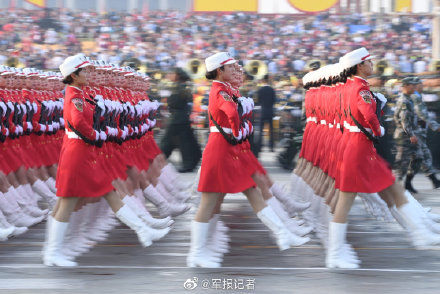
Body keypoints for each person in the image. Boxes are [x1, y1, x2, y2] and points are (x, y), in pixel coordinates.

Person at [43, 54, 168, 267]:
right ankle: (52, 252)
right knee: (67, 201)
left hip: (85, 151)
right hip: (78, 152)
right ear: (74, 75)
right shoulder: (75, 95)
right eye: (86, 71)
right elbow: (78, 122)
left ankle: (143, 230)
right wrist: (97, 135)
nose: (90, 74)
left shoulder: (80, 93)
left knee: (106, 191)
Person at [188, 52, 305, 268]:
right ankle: (196, 253)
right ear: (219, 71)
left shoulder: (224, 90)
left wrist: (241, 124)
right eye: (230, 67)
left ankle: (282, 233)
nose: (235, 70)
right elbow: (231, 112)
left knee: (250, 191)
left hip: (227, 148)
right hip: (221, 149)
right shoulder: (220, 90)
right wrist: (239, 128)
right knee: (209, 202)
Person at [160, 68, 201, 172]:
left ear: (178, 75)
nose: (170, 75)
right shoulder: (183, 86)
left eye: (172, 73)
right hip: (180, 119)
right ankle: (189, 163)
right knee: (184, 142)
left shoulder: (180, 87)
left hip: (177, 119)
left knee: (171, 143)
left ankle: (157, 162)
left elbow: (174, 102)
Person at [393, 77, 423, 193]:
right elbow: (404, 120)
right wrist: (411, 134)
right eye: (412, 85)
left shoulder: (410, 99)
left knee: (418, 158)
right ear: (405, 86)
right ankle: (395, 187)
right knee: (402, 162)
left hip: (411, 134)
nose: (415, 87)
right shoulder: (404, 101)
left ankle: (407, 183)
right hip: (404, 136)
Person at [409, 77, 440, 189]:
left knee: (419, 157)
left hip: (418, 131)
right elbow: (422, 114)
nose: (423, 86)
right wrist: (436, 126)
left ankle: (408, 182)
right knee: (422, 155)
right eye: (421, 84)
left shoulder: (417, 96)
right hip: (415, 131)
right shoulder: (415, 96)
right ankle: (434, 180)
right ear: (416, 85)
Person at [256, 74, 276, 153]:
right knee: (271, 130)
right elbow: (274, 100)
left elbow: (258, 101)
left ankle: (260, 147)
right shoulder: (272, 90)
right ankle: (271, 147)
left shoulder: (260, 90)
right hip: (270, 111)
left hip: (263, 111)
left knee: (261, 130)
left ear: (263, 81)